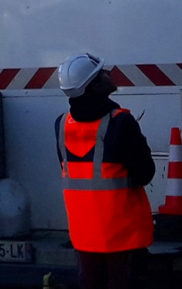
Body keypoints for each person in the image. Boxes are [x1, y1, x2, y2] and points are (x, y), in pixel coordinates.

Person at [55, 52, 154, 289]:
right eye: (102, 73)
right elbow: (145, 174)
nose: (109, 74)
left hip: (84, 238)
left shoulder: (61, 125)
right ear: (95, 86)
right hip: (122, 237)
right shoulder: (120, 123)